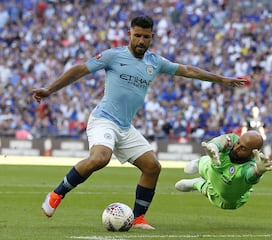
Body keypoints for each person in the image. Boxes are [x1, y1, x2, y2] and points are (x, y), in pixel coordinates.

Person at [32, 15, 250, 229]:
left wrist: (221, 79)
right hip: (103, 120)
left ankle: (137, 219)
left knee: (152, 167)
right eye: (137, 36)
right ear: (129, 34)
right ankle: (56, 194)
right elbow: (80, 69)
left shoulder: (154, 62)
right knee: (100, 157)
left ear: (152, 37)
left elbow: (188, 70)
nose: (141, 41)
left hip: (125, 127)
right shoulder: (113, 56)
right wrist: (49, 89)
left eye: (146, 37)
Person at [175, 130, 272, 210]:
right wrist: (214, 147)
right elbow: (221, 140)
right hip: (215, 165)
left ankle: (197, 184)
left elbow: (251, 175)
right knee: (214, 160)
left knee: (222, 193)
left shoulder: (251, 166)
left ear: (252, 153)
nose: (236, 147)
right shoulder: (233, 140)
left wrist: (259, 172)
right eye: (238, 143)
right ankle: (200, 162)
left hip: (225, 196)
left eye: (243, 148)